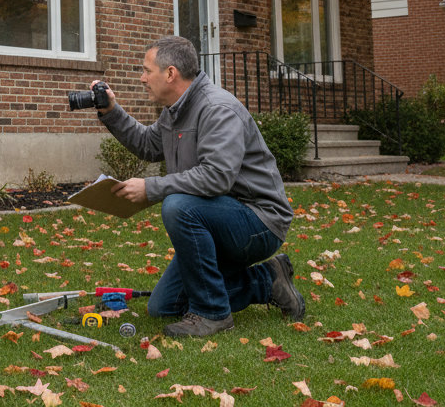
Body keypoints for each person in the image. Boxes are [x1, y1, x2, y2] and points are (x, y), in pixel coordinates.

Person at [92, 35, 304, 337]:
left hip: (258, 221)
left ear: (170, 74)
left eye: (146, 70)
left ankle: (212, 313)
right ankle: (266, 280)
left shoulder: (217, 109)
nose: (142, 78)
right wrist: (111, 112)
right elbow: (148, 145)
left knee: (178, 205)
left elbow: (217, 177)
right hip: (218, 218)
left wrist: (151, 187)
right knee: (162, 306)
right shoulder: (175, 111)